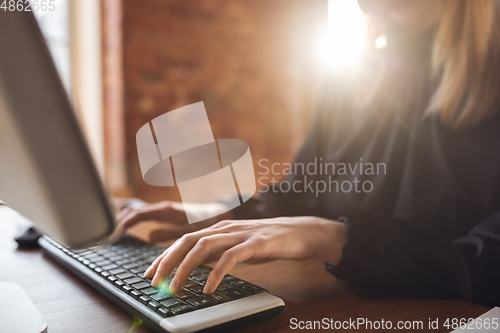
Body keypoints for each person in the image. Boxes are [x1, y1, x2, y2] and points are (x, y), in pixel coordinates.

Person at [117, 0, 500, 307]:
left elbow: (485, 262)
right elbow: (301, 190)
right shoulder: (351, 79)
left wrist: (335, 237)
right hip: (344, 305)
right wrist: (218, 214)